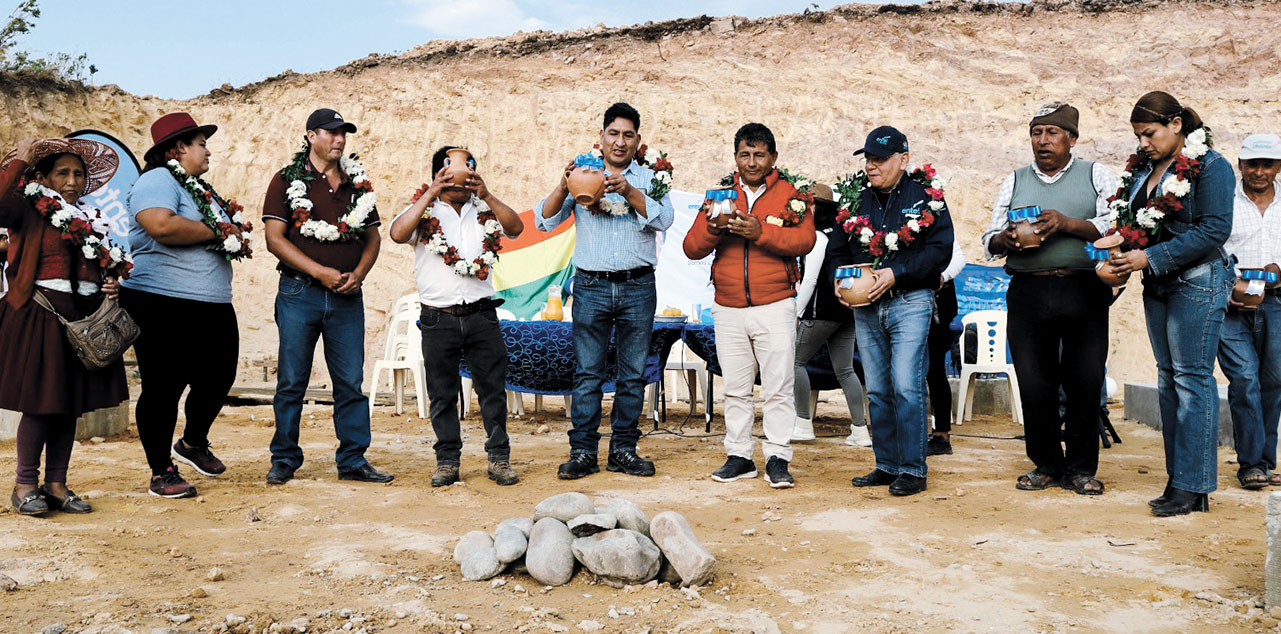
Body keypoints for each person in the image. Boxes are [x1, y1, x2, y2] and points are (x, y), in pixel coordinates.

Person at [1106, 91, 1234, 516]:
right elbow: (1138, 225)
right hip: (1158, 285)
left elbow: (1215, 229)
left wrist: (1150, 257)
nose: (1143, 143)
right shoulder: (1145, 167)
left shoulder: (1212, 167)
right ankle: (1178, 479)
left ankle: (1194, 486)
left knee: (1192, 380)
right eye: (1139, 136)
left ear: (1177, 124)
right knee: (1167, 381)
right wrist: (1120, 250)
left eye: (1150, 133)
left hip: (1198, 281)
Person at [981, 102, 1119, 494]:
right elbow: (989, 237)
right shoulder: (1015, 179)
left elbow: (1116, 224)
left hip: (1083, 288)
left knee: (1085, 379)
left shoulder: (1096, 175)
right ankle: (1045, 464)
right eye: (1037, 132)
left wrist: (1068, 224)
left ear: (1072, 139)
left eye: (1053, 132)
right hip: (1028, 290)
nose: (1043, 140)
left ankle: (1080, 468)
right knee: (1034, 381)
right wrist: (1003, 240)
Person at [536, 102, 674, 480]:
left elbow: (665, 219)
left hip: (639, 285)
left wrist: (628, 190)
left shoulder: (650, 178)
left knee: (632, 374)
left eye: (628, 135)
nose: (619, 141)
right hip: (592, 286)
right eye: (613, 133)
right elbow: (545, 220)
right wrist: (564, 184)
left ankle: (624, 451)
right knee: (587, 374)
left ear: (638, 140)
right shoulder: (584, 173)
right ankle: (582, 452)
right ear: (601, 137)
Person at [120, 112, 251, 499]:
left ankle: (192, 443)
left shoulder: (198, 189)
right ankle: (161, 471)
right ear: (178, 149)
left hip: (210, 302)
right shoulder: (156, 180)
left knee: (219, 377)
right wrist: (220, 230)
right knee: (163, 387)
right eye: (201, 143)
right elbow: (160, 225)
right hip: (161, 300)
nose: (207, 150)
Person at [0, 137, 130, 515]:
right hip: (40, 311)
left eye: (78, 173)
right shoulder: (30, 205)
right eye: (62, 173)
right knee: (41, 404)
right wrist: (21, 160)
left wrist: (110, 280)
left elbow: (101, 263)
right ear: (44, 177)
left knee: (69, 404)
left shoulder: (91, 219)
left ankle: (56, 483)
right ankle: (25, 484)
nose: (72, 180)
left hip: (84, 317)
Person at [683, 122, 816, 488]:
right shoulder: (720, 195)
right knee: (736, 388)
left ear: (773, 157)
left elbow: (805, 240)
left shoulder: (793, 194)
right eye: (745, 154)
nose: (752, 161)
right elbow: (691, 248)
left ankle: (777, 456)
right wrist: (714, 226)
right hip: (727, 307)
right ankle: (740, 456)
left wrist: (761, 233)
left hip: (775, 304)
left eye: (759, 154)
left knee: (778, 386)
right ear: (736, 157)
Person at [261, 109, 390, 485]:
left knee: (350, 381)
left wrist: (359, 275)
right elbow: (274, 239)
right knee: (292, 380)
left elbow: (373, 237)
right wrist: (321, 272)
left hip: (349, 295)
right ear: (310, 136)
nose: (339, 139)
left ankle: (352, 460)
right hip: (300, 291)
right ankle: (284, 458)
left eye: (343, 133)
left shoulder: (357, 182)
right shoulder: (286, 180)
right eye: (331, 133)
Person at [831, 126, 955, 497]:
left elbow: (940, 252)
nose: (871, 165)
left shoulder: (926, 198)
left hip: (911, 302)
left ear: (903, 159)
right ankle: (886, 465)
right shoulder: (853, 199)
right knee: (879, 390)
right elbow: (837, 251)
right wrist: (840, 283)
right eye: (867, 158)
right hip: (866, 306)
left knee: (906, 384)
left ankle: (913, 469)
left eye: (880, 159)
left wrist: (896, 272)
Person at [390, 146, 524, 486]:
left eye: (469, 164)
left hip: (481, 314)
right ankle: (447, 460)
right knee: (443, 393)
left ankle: (498, 459)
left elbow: (516, 228)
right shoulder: (424, 211)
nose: (463, 171)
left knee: (492, 390)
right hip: (439, 318)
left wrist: (487, 194)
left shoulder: (484, 209)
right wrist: (432, 192)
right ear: (439, 172)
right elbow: (397, 233)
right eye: (453, 165)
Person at [1216, 134, 1281, 490]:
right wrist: (1228, 287)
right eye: (1252, 163)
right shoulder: (1223, 201)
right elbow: (1211, 246)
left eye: (1267, 163)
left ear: (1278, 166)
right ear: (1240, 165)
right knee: (1244, 379)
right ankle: (1251, 463)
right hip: (1231, 303)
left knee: (1273, 381)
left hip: (1277, 301)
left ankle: (1266, 461)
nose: (1259, 171)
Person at [790, 183, 870, 447]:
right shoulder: (838, 233)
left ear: (817, 208)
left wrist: (796, 312)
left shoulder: (817, 238)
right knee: (845, 370)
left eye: (807, 205)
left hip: (821, 312)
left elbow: (810, 280)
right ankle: (860, 430)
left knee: (795, 362)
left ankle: (802, 423)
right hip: (845, 311)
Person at [926, 235, 965, 455]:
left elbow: (958, 256)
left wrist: (942, 277)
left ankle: (941, 434)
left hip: (938, 307)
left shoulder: (935, 217)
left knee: (935, 370)